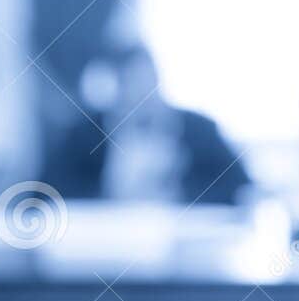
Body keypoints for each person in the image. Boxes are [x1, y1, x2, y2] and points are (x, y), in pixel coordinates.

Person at [50, 44, 250, 205]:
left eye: (147, 81)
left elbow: (239, 186)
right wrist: (108, 190)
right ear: (115, 87)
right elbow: (49, 189)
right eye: (132, 82)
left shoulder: (199, 129)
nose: (142, 93)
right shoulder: (86, 133)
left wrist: (179, 191)